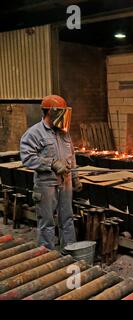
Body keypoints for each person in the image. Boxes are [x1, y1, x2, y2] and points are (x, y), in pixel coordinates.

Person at [20, 95, 82, 250]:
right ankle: (47, 256)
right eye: (61, 112)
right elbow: (27, 157)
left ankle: (70, 252)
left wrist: (75, 177)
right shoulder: (34, 133)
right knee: (47, 222)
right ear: (50, 113)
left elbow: (71, 155)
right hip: (46, 184)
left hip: (65, 182)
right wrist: (52, 164)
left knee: (67, 219)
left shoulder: (63, 132)